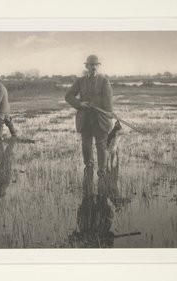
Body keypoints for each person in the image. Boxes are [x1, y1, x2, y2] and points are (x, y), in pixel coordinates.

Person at [65, 55, 114, 197]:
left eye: (95, 65)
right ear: (86, 66)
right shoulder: (80, 81)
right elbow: (68, 96)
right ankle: (89, 166)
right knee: (86, 146)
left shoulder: (104, 81)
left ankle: (102, 172)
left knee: (101, 145)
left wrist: (108, 113)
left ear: (98, 66)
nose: (93, 67)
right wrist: (80, 104)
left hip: (100, 119)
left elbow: (108, 102)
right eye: (90, 64)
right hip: (85, 119)